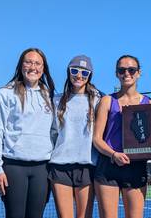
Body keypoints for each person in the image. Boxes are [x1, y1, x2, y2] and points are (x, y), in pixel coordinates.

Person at [0, 48, 55, 218]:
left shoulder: (51, 96)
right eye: (28, 62)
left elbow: (55, 132)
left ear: (43, 68)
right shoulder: (5, 93)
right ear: (20, 66)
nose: (33, 67)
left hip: (42, 169)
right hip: (13, 167)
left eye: (38, 63)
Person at [93, 55, 151, 218]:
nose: (127, 73)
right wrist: (113, 154)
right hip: (108, 167)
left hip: (136, 168)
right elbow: (97, 139)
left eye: (131, 70)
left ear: (139, 73)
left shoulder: (149, 104)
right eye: (122, 70)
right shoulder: (107, 100)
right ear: (116, 73)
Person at [48, 55, 102, 218]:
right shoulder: (56, 100)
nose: (79, 75)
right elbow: (52, 132)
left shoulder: (98, 100)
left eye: (84, 73)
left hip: (86, 166)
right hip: (60, 166)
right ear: (68, 72)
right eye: (75, 70)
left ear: (89, 76)